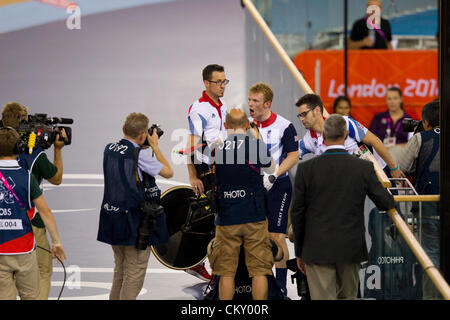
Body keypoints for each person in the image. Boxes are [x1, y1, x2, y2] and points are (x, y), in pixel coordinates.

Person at [290, 114, 396, 300]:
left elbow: (297, 213)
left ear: (323, 136)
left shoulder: (306, 169)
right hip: (350, 248)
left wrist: (299, 251)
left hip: (316, 249)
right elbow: (385, 202)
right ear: (347, 134)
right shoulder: (362, 168)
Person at [97, 112, 173, 300]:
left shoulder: (109, 148)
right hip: (133, 222)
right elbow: (168, 172)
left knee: (120, 271)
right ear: (142, 135)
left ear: (123, 129)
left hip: (112, 217)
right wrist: (155, 146)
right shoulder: (140, 155)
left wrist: (143, 147)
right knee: (134, 273)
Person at [1, 101, 67, 300]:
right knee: (42, 272)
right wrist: (57, 149)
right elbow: (56, 179)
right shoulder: (34, 154)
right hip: (31, 226)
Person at [208, 108, 274, 300]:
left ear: (226, 126)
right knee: (259, 270)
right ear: (247, 125)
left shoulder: (217, 147)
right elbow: (271, 167)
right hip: (254, 215)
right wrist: (256, 137)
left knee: (226, 271)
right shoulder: (255, 145)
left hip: (227, 217)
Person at [248, 82, 299, 296]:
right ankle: (264, 285)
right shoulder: (247, 125)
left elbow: (294, 155)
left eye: (255, 101)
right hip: (255, 187)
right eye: (249, 100)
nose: (250, 104)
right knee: (257, 238)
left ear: (267, 103)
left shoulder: (284, 125)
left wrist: (274, 174)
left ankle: (281, 289)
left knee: (276, 237)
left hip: (279, 186)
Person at [392, 100, 441, 299]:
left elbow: (400, 169)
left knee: (431, 259)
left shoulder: (421, 138)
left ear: (426, 123)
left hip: (427, 210)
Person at [185, 64, 229, 281]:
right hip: (206, 169)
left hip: (221, 167)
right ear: (206, 83)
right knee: (211, 217)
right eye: (218, 82)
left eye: (224, 81)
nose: (222, 86)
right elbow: (191, 144)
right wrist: (193, 176)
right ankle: (199, 264)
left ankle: (216, 268)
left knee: (218, 216)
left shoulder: (223, 105)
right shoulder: (199, 108)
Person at [296, 93, 405, 179]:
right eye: (299, 116)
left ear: (317, 111)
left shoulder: (345, 123)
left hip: (377, 172)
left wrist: (393, 167)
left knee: (391, 205)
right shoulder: (307, 140)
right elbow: (291, 154)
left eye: (304, 114)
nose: (301, 119)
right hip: (351, 182)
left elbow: (375, 141)